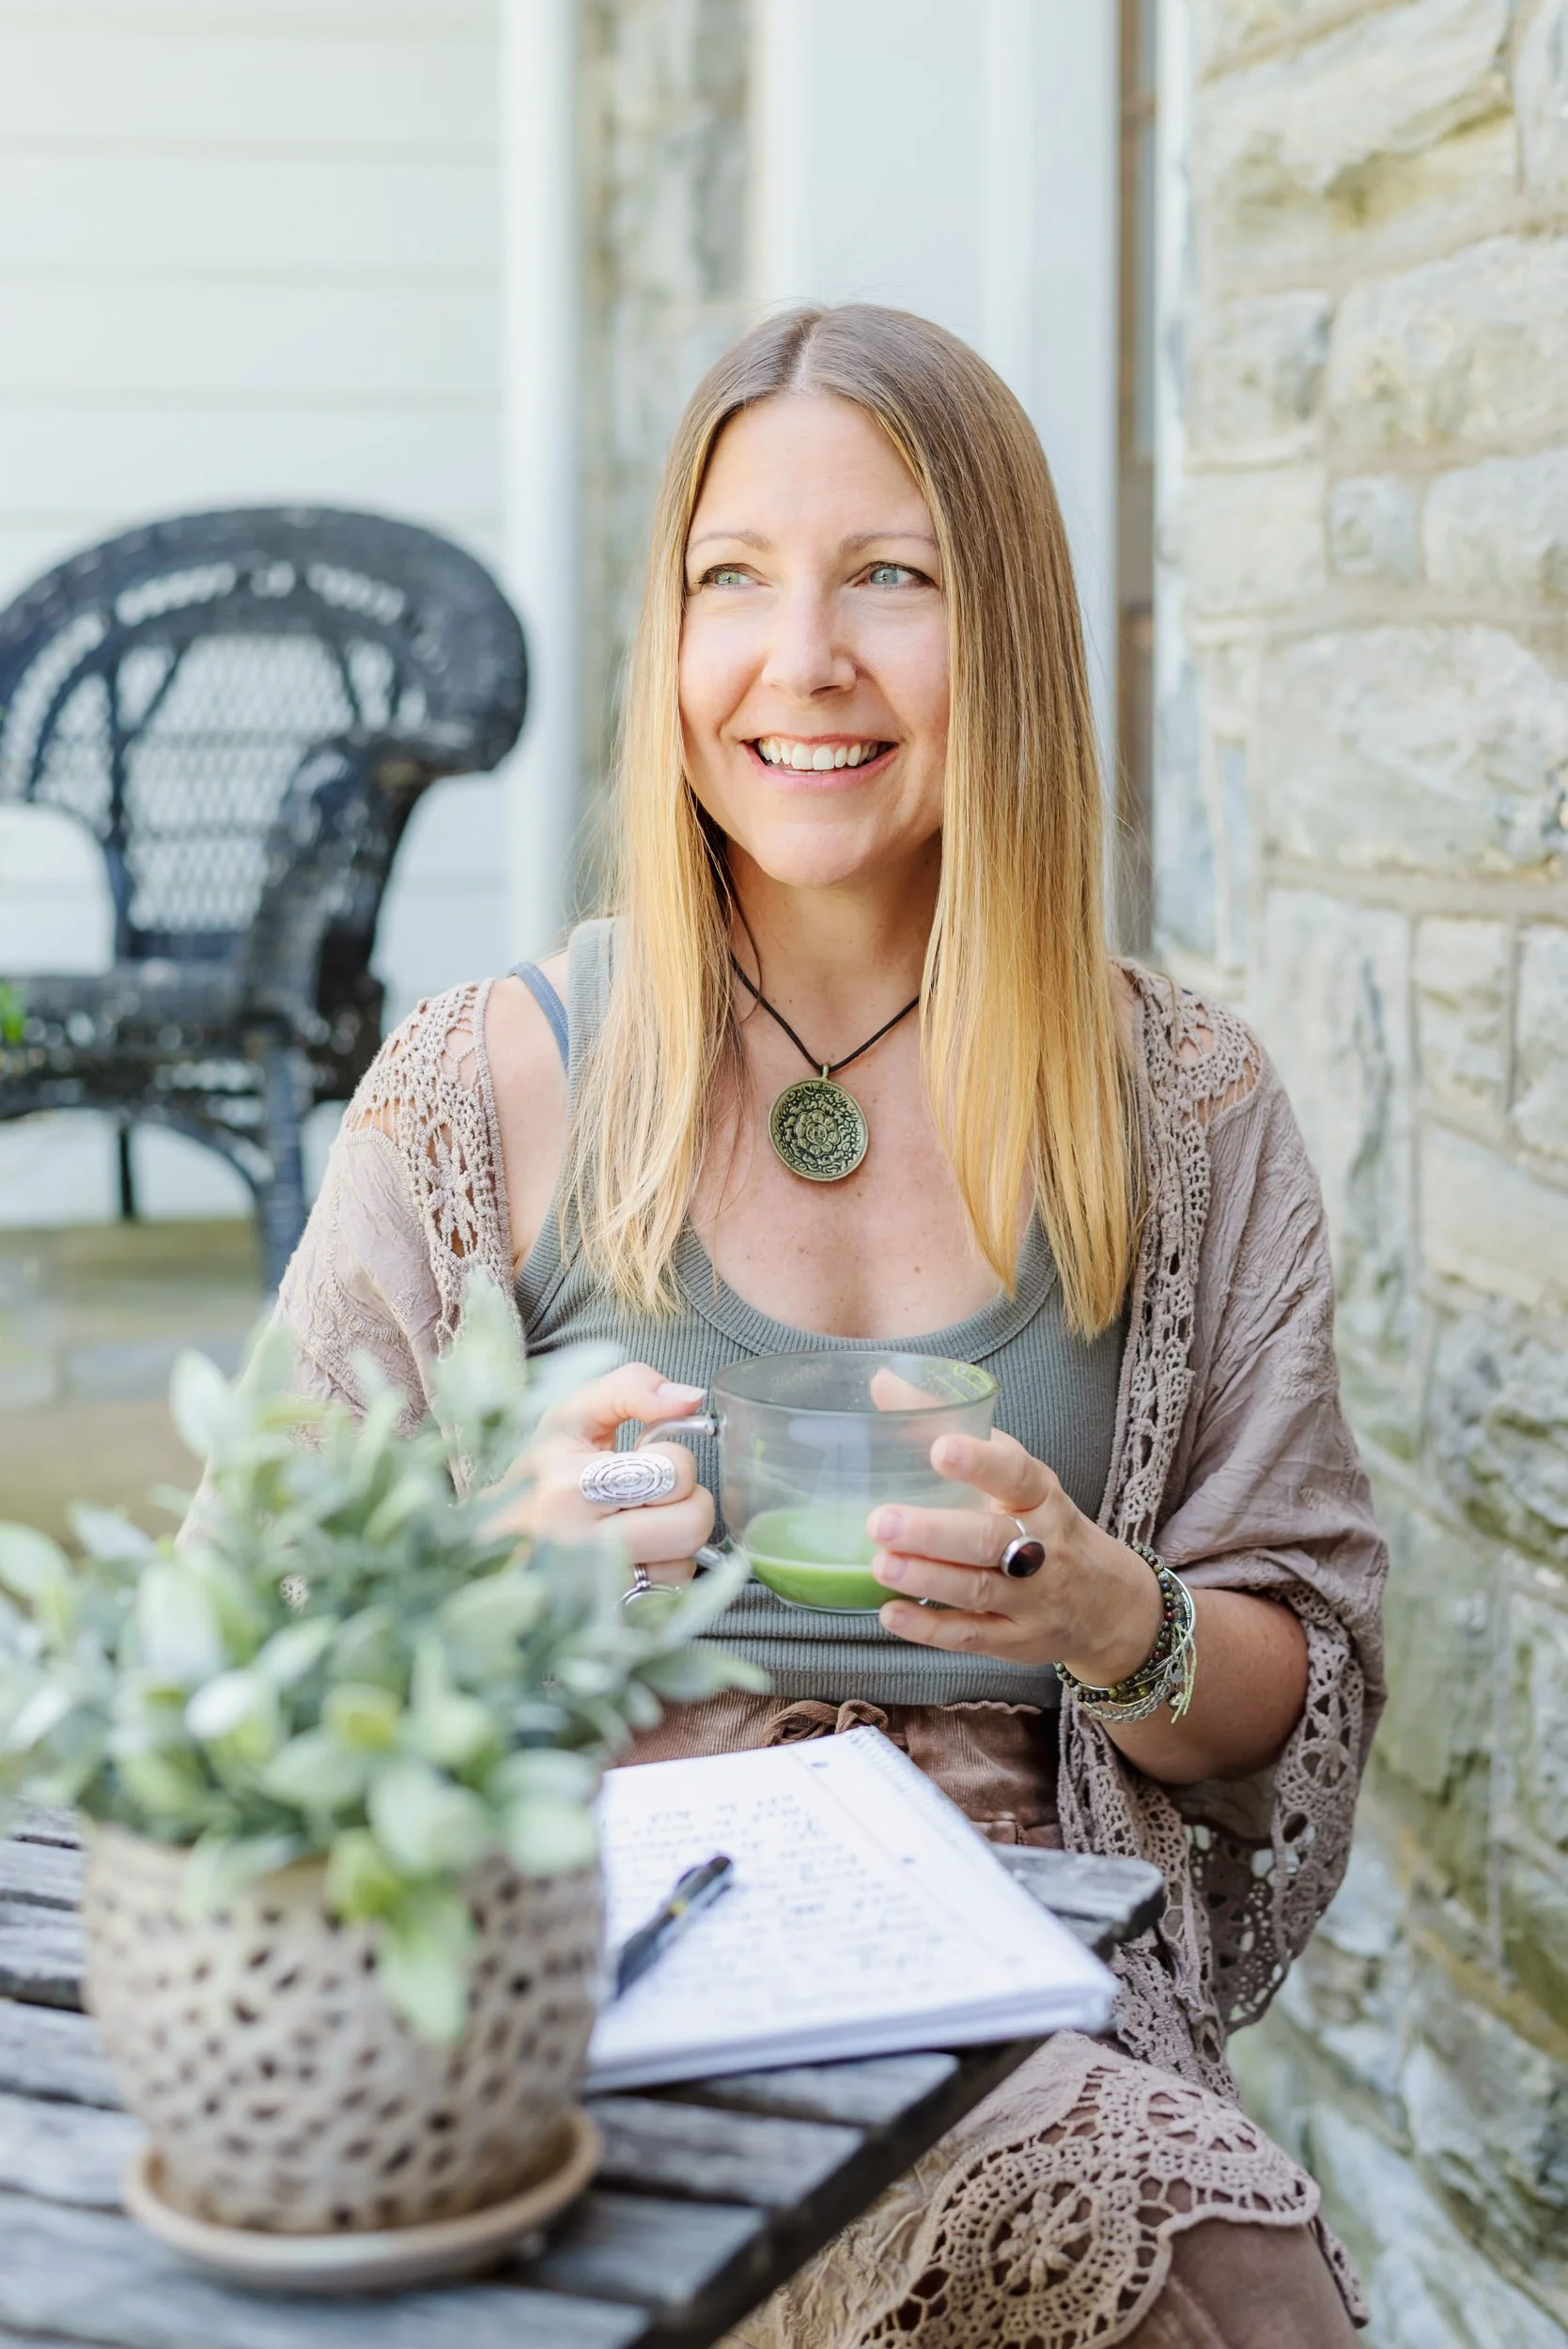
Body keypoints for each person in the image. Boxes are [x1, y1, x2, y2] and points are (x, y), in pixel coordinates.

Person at [273, 305, 1385, 2346]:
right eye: (732, 580)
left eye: (894, 575)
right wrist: (459, 1572)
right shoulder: (482, 1087)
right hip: (569, 1963)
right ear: (669, 641)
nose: (803, 660)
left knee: (1205, 2249)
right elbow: (230, 1662)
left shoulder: (1187, 1111)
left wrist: (1107, 1614)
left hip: (989, 1961)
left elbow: (1293, 1694)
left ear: (1012, 644)